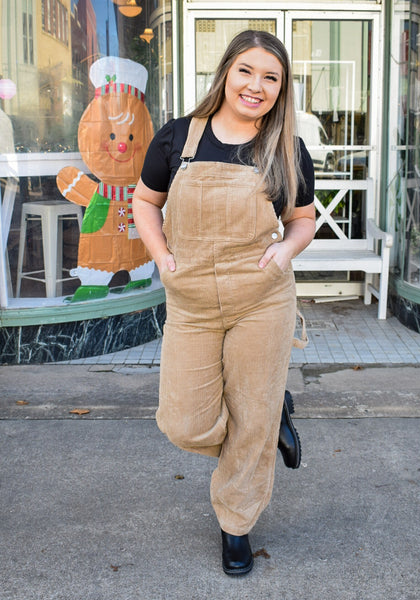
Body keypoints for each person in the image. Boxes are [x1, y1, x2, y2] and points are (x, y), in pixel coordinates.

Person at [132, 29, 315, 576]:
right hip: (190, 302)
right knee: (184, 422)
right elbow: (145, 201)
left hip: (260, 300)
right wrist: (162, 256)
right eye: (247, 71)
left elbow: (302, 221)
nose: (256, 86)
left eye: (271, 78)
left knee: (251, 420)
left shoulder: (284, 146)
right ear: (226, 73)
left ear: (282, 89)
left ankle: (236, 524)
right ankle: (265, 421)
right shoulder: (177, 138)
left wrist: (284, 251)